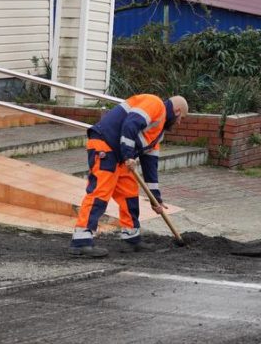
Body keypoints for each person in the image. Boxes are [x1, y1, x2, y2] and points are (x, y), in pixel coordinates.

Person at [68, 94, 189, 257]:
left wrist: (156, 199)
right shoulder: (155, 104)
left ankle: (132, 238)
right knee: (100, 193)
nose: (180, 123)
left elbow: (150, 165)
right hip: (105, 144)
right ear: (177, 111)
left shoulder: (158, 134)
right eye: (181, 118)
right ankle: (81, 241)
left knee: (129, 194)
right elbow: (130, 124)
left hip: (120, 155)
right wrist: (128, 156)